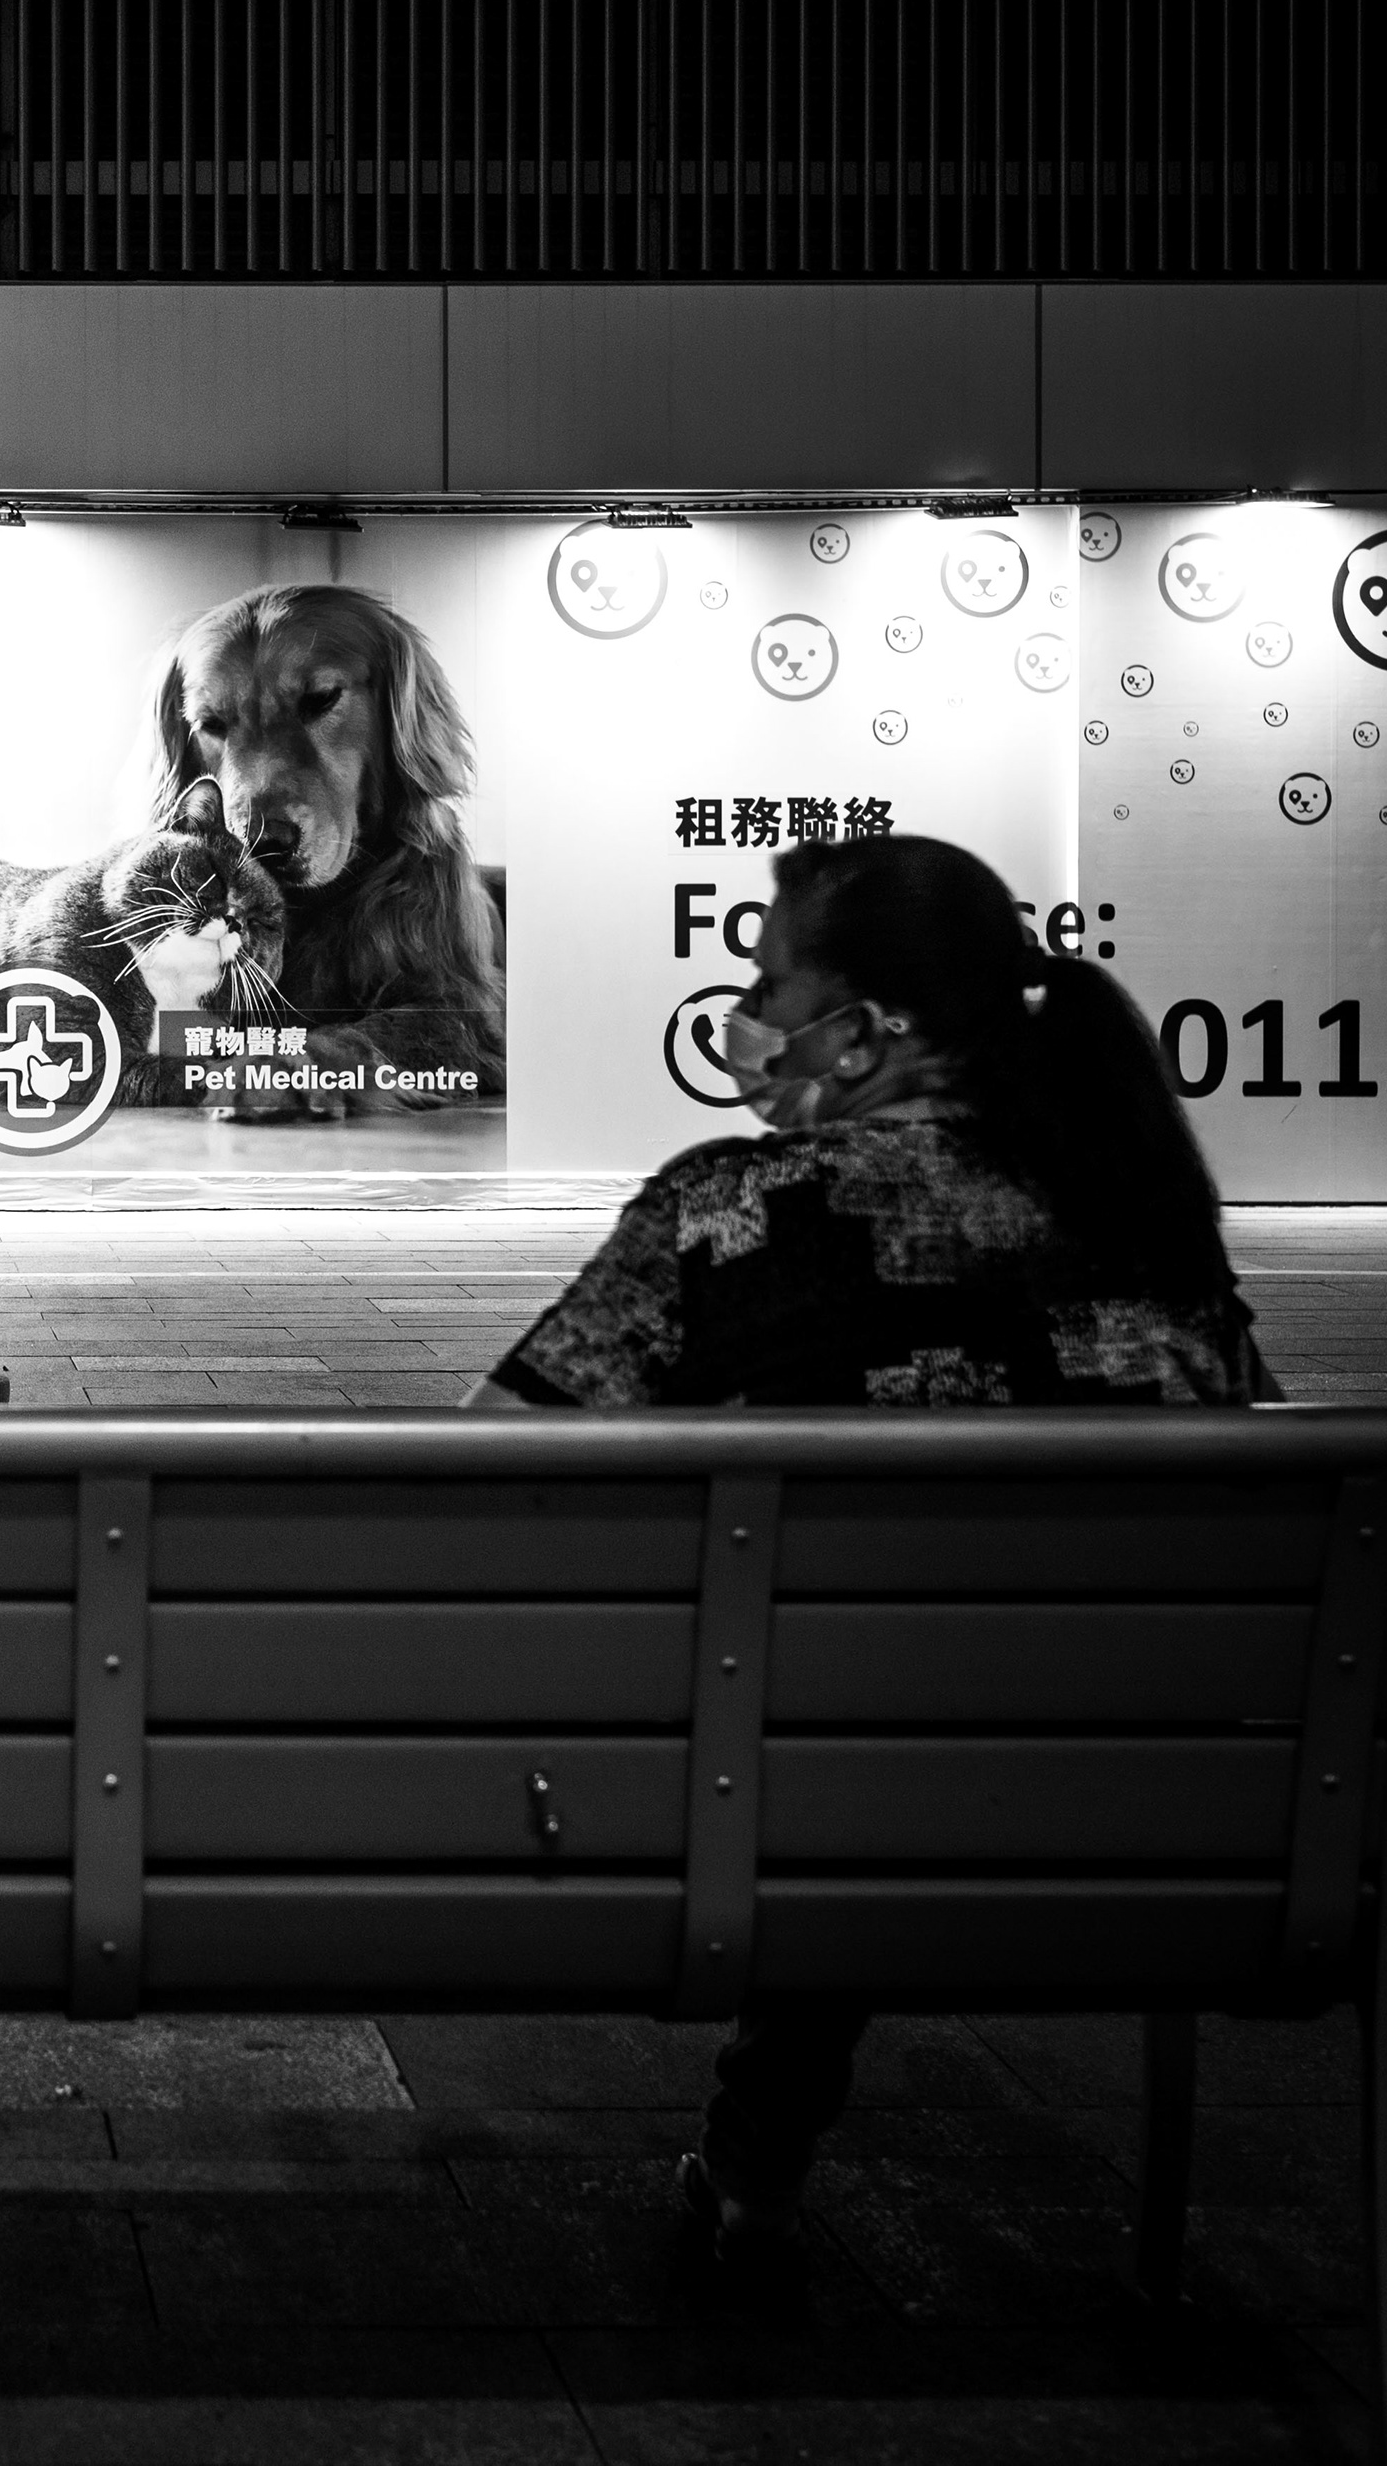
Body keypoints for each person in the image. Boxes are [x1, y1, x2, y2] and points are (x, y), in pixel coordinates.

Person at [475, 832, 1277, 2269]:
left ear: (865, 1031)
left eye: (768, 985)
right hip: (1161, 1826)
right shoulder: (1150, 1220)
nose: (746, 1016)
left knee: (833, 1695)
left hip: (796, 1800)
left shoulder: (732, 1213)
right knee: (891, 1676)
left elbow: (486, 1467)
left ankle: (755, 2172)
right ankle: (755, 2162)